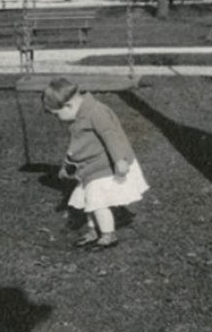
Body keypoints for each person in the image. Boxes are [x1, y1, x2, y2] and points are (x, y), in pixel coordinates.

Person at [42, 78, 149, 250]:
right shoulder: (78, 117)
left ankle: (108, 235)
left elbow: (112, 137)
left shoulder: (96, 112)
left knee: (98, 201)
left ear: (68, 105)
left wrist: (120, 160)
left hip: (105, 165)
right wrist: (67, 167)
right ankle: (93, 231)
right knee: (87, 199)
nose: (58, 119)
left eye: (56, 114)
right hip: (91, 167)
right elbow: (77, 148)